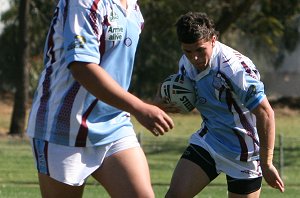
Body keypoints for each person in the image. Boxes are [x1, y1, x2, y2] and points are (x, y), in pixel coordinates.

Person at [26, 0, 174, 197]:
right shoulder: (83, 2)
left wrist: (149, 106)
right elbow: (82, 66)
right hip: (63, 127)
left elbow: (115, 70)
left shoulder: (134, 8)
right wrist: (138, 107)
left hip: (114, 125)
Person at [160, 12, 285, 198]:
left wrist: (267, 163)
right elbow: (185, 92)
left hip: (245, 154)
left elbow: (266, 113)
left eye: (200, 50)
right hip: (210, 142)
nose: (194, 58)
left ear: (213, 39)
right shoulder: (186, 62)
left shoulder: (235, 70)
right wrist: (162, 102)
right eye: (188, 51)